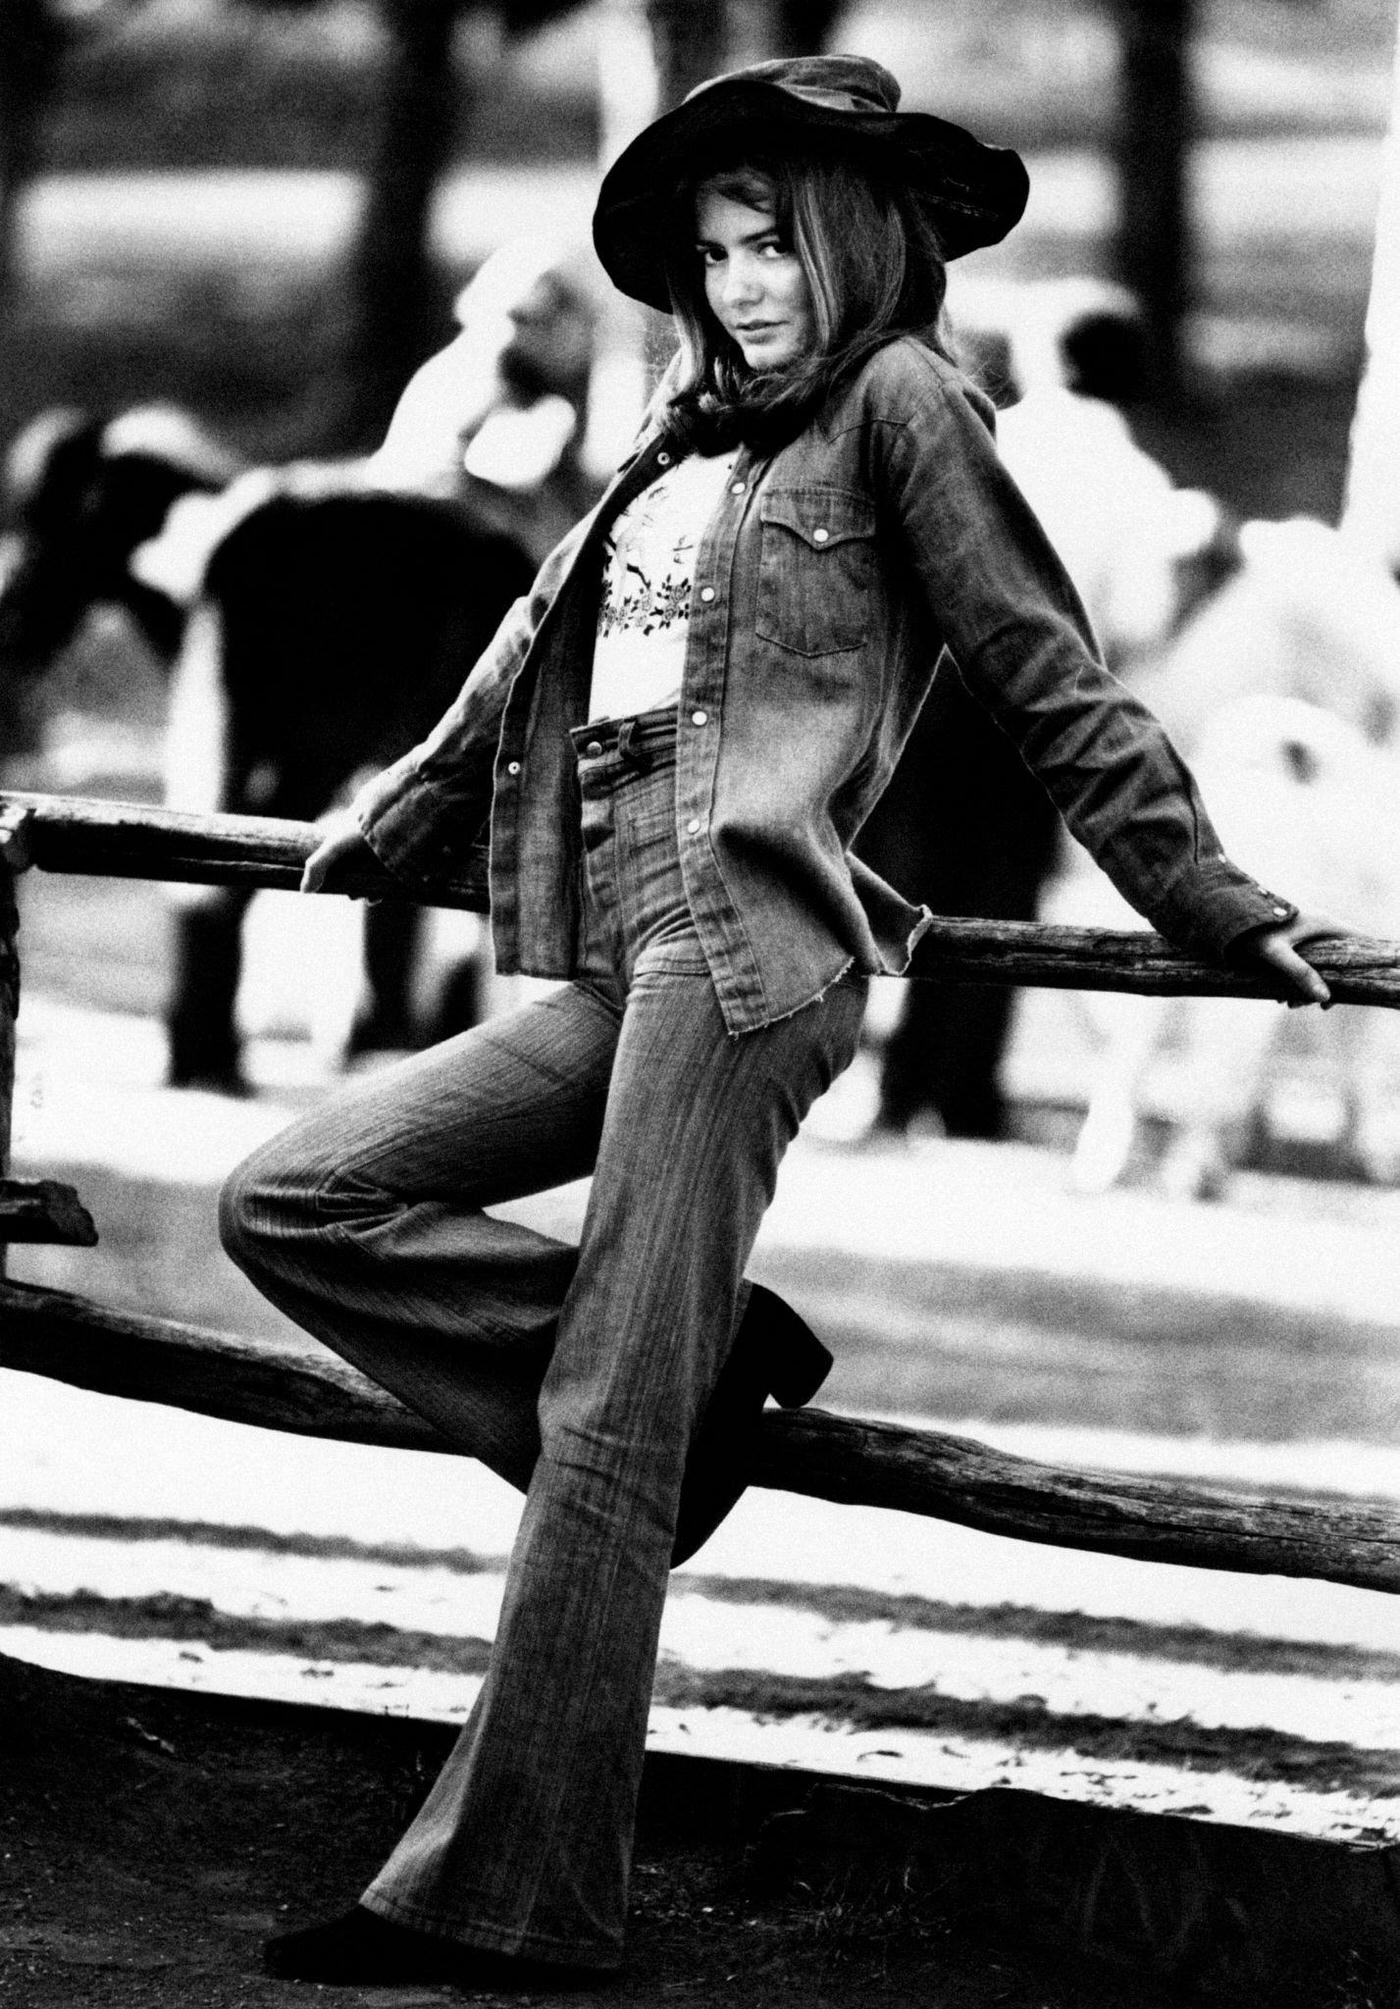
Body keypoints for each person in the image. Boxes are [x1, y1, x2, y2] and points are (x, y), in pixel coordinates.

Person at [219, 54, 1338, 1993]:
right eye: (717, 250)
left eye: (775, 245)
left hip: (755, 960)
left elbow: (1044, 672)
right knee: (298, 1195)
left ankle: (506, 1901)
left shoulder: (906, 405)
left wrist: (1211, 897)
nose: (742, 283)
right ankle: (693, 1385)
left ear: (855, 242)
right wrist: (404, 801)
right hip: (618, 945)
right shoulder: (686, 422)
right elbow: (540, 632)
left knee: (595, 1430)